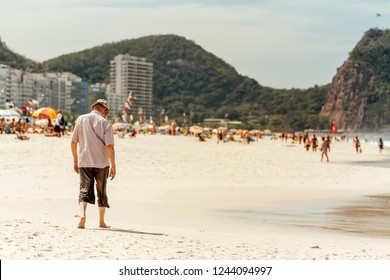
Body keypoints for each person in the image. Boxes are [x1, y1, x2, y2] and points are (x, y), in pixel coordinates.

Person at [71, 99, 116, 229]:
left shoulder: (80, 119)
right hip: (101, 162)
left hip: (84, 161)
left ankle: (83, 214)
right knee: (101, 191)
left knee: (84, 189)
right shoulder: (105, 123)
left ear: (93, 107)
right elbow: (109, 146)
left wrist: (75, 160)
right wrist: (113, 165)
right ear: (105, 110)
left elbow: (73, 142)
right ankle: (101, 222)